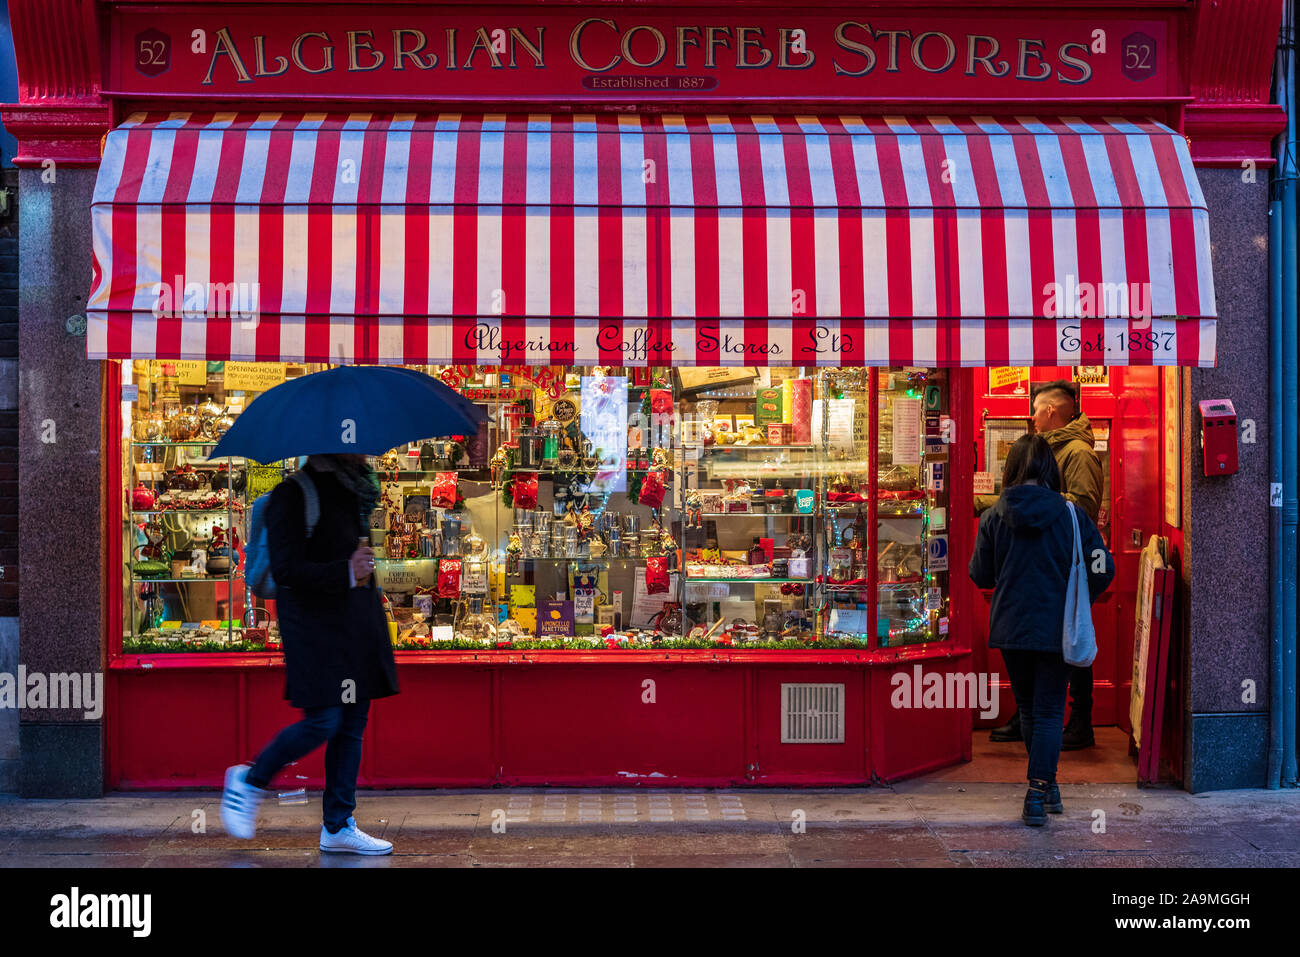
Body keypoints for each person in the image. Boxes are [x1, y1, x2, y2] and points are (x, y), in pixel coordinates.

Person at [220, 453, 399, 854]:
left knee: (351, 722)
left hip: (354, 624)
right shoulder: (292, 495)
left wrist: (361, 571)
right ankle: (250, 780)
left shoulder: (355, 491)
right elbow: (287, 572)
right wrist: (347, 570)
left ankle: (338, 825)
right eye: (355, 445)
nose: (365, 452)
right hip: (315, 630)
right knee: (324, 721)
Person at [969, 434, 1114, 825]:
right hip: (1058, 625)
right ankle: (1038, 791)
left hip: (1011, 626)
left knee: (1031, 709)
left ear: (1011, 468)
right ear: (1050, 469)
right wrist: (1083, 593)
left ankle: (1046, 787)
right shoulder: (1071, 515)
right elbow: (1104, 567)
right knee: (1051, 710)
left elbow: (978, 573)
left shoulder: (994, 515)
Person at [978, 380, 1104, 750]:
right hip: (1045, 562)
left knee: (1072, 640)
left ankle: (1081, 722)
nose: (1031, 418)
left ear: (1050, 411)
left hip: (1064, 563)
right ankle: (1027, 716)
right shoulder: (1053, 450)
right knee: (1044, 645)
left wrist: (1018, 500)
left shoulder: (1077, 453)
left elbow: (1083, 508)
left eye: (1035, 410)